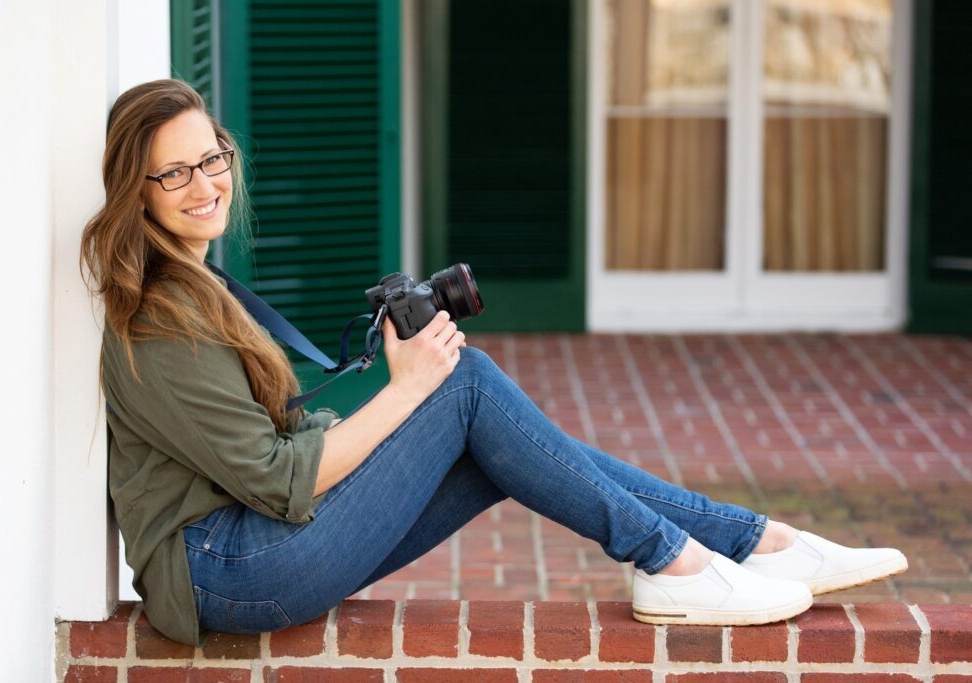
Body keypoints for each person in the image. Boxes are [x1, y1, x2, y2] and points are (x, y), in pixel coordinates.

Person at [80, 79, 908, 647]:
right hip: (227, 570)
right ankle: (678, 561)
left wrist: (397, 398)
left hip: (251, 548)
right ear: (138, 191)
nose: (205, 183)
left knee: (496, 446)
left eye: (212, 157)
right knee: (466, 386)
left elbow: (275, 444)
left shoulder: (195, 281)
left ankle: (749, 541)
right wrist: (408, 390)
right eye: (175, 172)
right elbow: (273, 478)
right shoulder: (158, 316)